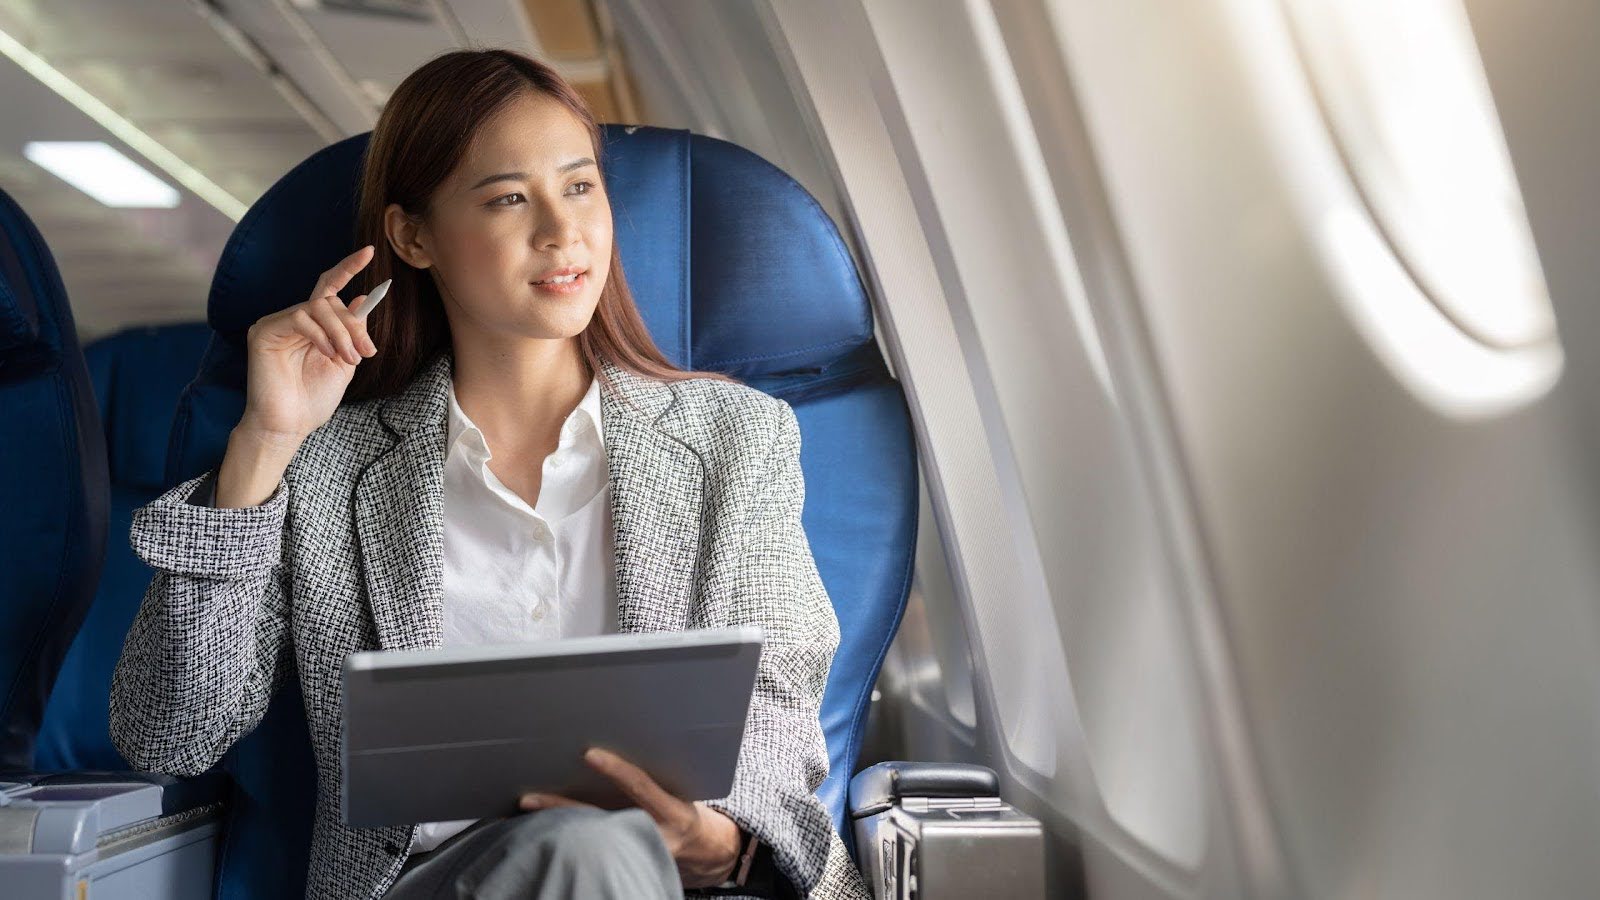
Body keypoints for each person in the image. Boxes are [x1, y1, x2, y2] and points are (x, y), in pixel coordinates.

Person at [107, 48, 867, 900]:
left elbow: (775, 696)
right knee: (578, 851)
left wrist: (717, 841)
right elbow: (169, 733)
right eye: (510, 198)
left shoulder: (735, 439)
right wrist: (266, 439)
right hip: (428, 882)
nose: (561, 230)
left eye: (580, 187)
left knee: (595, 851)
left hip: (671, 881)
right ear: (413, 236)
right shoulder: (327, 468)